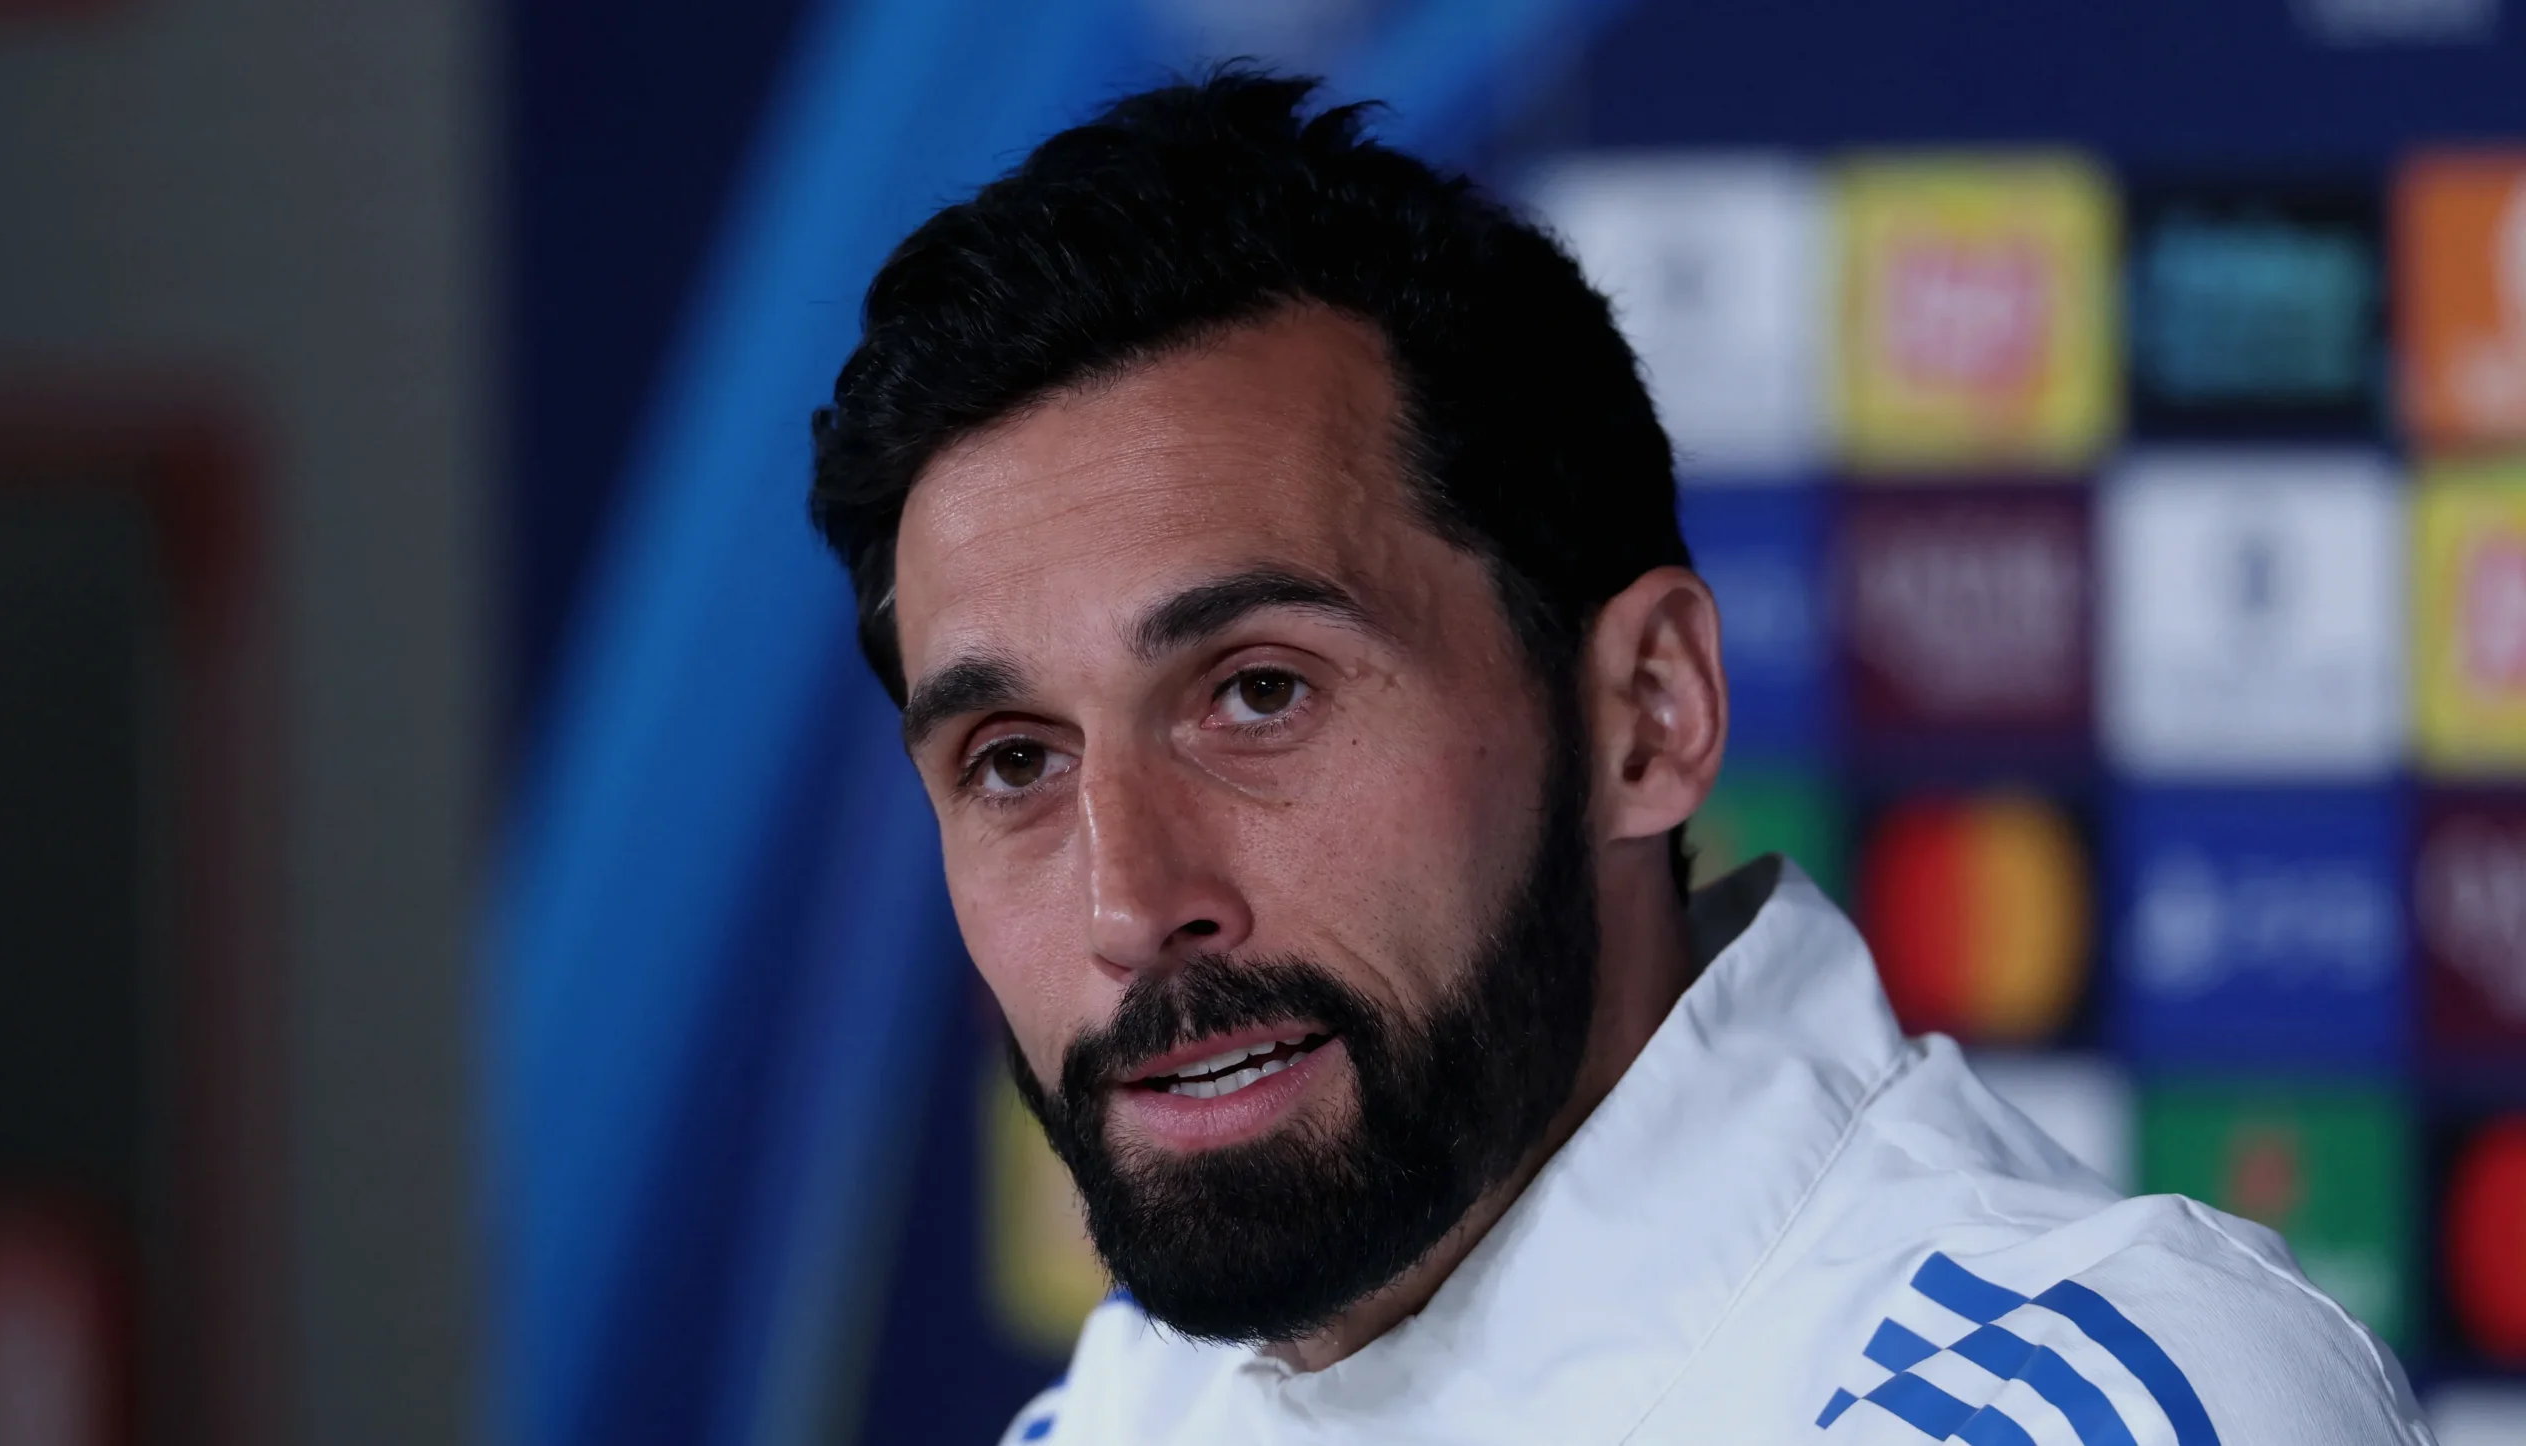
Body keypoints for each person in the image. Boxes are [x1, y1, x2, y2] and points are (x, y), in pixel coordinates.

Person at [806, 69, 2431, 1446]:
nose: (1128, 901)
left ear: (1646, 714)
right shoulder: (1119, 1412)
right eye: (1012, 761)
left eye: (1258, 692)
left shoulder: (2071, 1405)